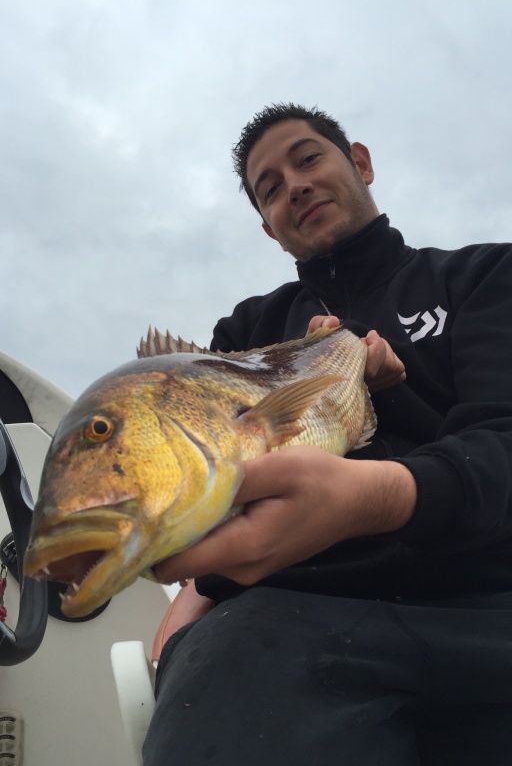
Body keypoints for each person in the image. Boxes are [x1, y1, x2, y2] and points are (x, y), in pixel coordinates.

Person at [142, 103, 512, 765]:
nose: (295, 185)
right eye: (271, 187)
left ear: (360, 163)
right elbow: (220, 475)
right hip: (289, 624)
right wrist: (195, 592)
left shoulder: (485, 276)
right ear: (268, 228)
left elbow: (503, 440)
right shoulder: (244, 335)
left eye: (308, 158)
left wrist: (386, 415)